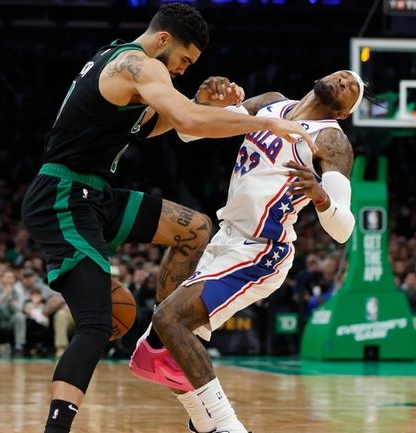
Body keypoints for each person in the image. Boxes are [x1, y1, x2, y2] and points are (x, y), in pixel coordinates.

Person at [20, 3, 315, 433]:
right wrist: (261, 123)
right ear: (163, 40)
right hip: (64, 195)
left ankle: (162, 340)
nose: (181, 71)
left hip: (94, 192)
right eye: (184, 61)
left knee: (194, 229)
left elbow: (151, 125)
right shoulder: (138, 65)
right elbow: (187, 121)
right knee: (97, 323)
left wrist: (198, 101)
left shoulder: (118, 59)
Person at [130, 70, 366, 433]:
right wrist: (204, 104)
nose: (344, 82)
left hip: (262, 250)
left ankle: (226, 426)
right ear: (322, 76)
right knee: (163, 343)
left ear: (347, 111)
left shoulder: (331, 138)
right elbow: (190, 131)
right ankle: (203, 422)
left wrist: (320, 197)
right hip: (225, 238)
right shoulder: (269, 103)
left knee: (169, 320)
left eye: (352, 88)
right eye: (342, 76)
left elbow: (343, 229)